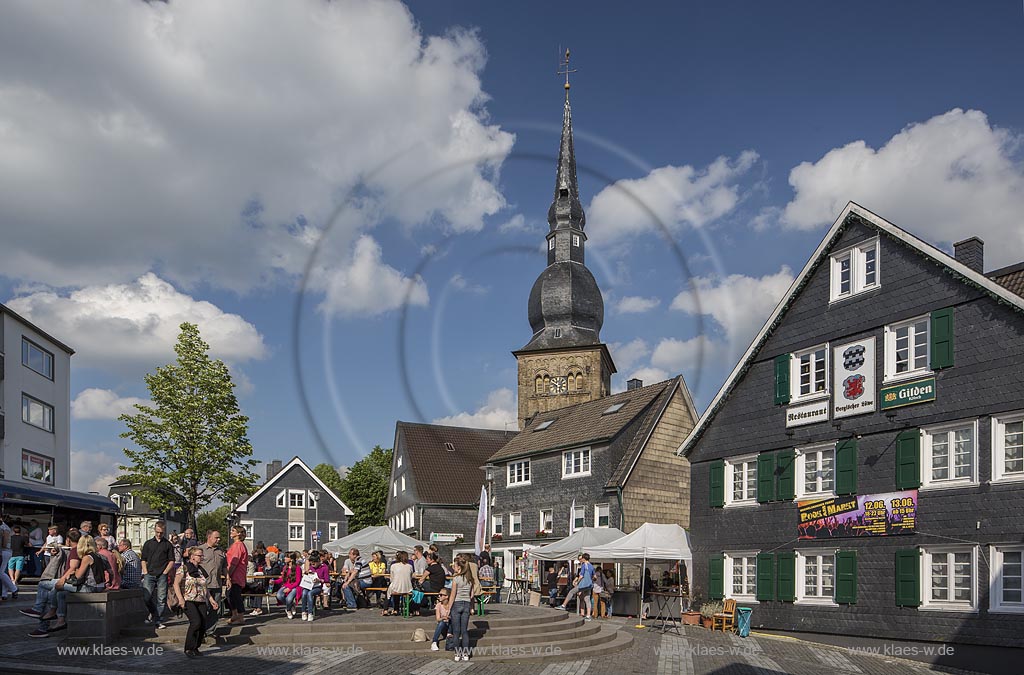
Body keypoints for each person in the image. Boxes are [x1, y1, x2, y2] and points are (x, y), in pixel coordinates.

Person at [174, 546, 217, 658]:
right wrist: (181, 599)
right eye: (199, 555)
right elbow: (176, 584)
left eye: (202, 555)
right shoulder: (184, 568)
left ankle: (196, 647)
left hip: (201, 600)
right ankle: (188, 648)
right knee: (196, 622)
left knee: (203, 624)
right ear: (192, 556)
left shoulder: (201, 570)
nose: (202, 557)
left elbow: (205, 588)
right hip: (189, 599)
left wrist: (211, 600)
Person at [141, 520, 175, 628]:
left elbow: (171, 560)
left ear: (164, 531)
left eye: (161, 533)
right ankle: (154, 614)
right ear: (154, 531)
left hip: (162, 574)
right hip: (149, 573)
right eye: (157, 532)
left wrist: (165, 572)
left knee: (161, 598)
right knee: (147, 597)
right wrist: (145, 572)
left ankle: (157, 619)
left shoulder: (167, 544)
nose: (159, 534)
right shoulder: (148, 543)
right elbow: (143, 559)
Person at [446, 557, 476, 662]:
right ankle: (466, 653)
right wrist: (472, 607)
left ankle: (457, 653)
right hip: (467, 604)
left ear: (459, 567)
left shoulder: (456, 579)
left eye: (455, 565)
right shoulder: (470, 579)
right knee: (464, 631)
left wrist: (448, 608)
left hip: (457, 603)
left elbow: (453, 595)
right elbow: (472, 595)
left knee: (456, 631)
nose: (454, 567)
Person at [198, 530, 225, 635]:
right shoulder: (201, 549)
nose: (218, 540)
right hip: (204, 585)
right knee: (204, 609)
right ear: (209, 537)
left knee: (215, 609)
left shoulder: (220, 551)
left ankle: (209, 631)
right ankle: (201, 629)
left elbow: (224, 566)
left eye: (219, 538)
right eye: (216, 538)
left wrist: (227, 578)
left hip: (217, 583)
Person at [225, 525, 249, 626]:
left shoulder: (238, 546)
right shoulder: (236, 545)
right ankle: (235, 614)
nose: (231, 532)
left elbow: (234, 562)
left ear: (238, 533)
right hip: (235, 573)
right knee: (229, 595)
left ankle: (240, 616)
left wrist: (228, 575)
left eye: (233, 530)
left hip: (236, 574)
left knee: (235, 595)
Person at [300, 551, 329, 622]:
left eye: (314, 563)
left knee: (310, 594)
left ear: (318, 561)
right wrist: (306, 574)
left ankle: (310, 613)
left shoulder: (324, 568)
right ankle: (303, 612)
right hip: (309, 586)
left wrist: (319, 580)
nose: (312, 565)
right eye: (311, 563)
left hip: (318, 587)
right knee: (304, 593)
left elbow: (327, 580)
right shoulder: (311, 567)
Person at [384, 550, 413, 616]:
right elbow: (410, 577)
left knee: (390, 590)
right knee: (396, 587)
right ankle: (397, 609)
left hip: (396, 587)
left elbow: (392, 578)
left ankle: (386, 609)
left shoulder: (393, 566)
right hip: (407, 587)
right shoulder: (410, 566)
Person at [275, 553, 302, 619]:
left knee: (289, 599)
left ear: (292, 559)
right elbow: (283, 579)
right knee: (279, 596)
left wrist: (290, 588)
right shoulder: (285, 568)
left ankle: (288, 609)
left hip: (295, 586)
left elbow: (298, 581)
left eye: (287, 557)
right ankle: (291, 605)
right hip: (286, 585)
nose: (285, 558)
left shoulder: (297, 568)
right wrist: (274, 582)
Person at [429, 587, 451, 652]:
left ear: (447, 596)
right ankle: (434, 642)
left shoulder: (452, 605)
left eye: (441, 595)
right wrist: (444, 618)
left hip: (451, 625)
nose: (439, 596)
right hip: (444, 625)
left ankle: (450, 635)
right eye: (439, 594)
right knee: (441, 622)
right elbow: (438, 619)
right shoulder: (439, 605)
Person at [576, 553, 595, 622]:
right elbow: (594, 576)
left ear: (584, 558)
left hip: (583, 585)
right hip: (589, 585)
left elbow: (581, 576)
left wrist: (577, 582)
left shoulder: (584, 565)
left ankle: (563, 605)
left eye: (581, 559)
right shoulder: (592, 566)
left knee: (572, 592)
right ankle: (588, 615)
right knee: (587, 600)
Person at [0, 514, 14, 601]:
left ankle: (13, 589)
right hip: (6, 550)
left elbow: (4, 541)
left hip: (4, 550)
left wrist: (3, 546)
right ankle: (5, 593)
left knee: (1, 573)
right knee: (2, 572)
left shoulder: (3, 527)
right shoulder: (6, 527)